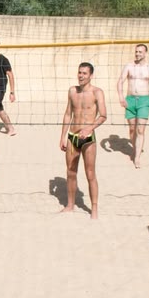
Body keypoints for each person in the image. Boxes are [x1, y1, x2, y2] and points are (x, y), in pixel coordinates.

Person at [59, 62, 107, 219]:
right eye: (79, 72)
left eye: (84, 73)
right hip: (72, 137)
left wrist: (89, 129)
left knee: (90, 173)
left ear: (91, 75)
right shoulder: (72, 91)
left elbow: (103, 115)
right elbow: (68, 114)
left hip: (88, 138)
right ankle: (70, 204)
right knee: (71, 172)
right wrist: (63, 136)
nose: (81, 76)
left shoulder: (97, 92)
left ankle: (94, 208)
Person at [115, 43, 149, 168]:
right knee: (132, 129)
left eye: (140, 52)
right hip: (130, 100)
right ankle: (136, 148)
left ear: (145, 53)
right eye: (136, 51)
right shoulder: (129, 66)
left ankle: (137, 157)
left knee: (140, 130)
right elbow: (120, 82)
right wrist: (121, 97)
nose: (137, 54)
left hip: (144, 101)